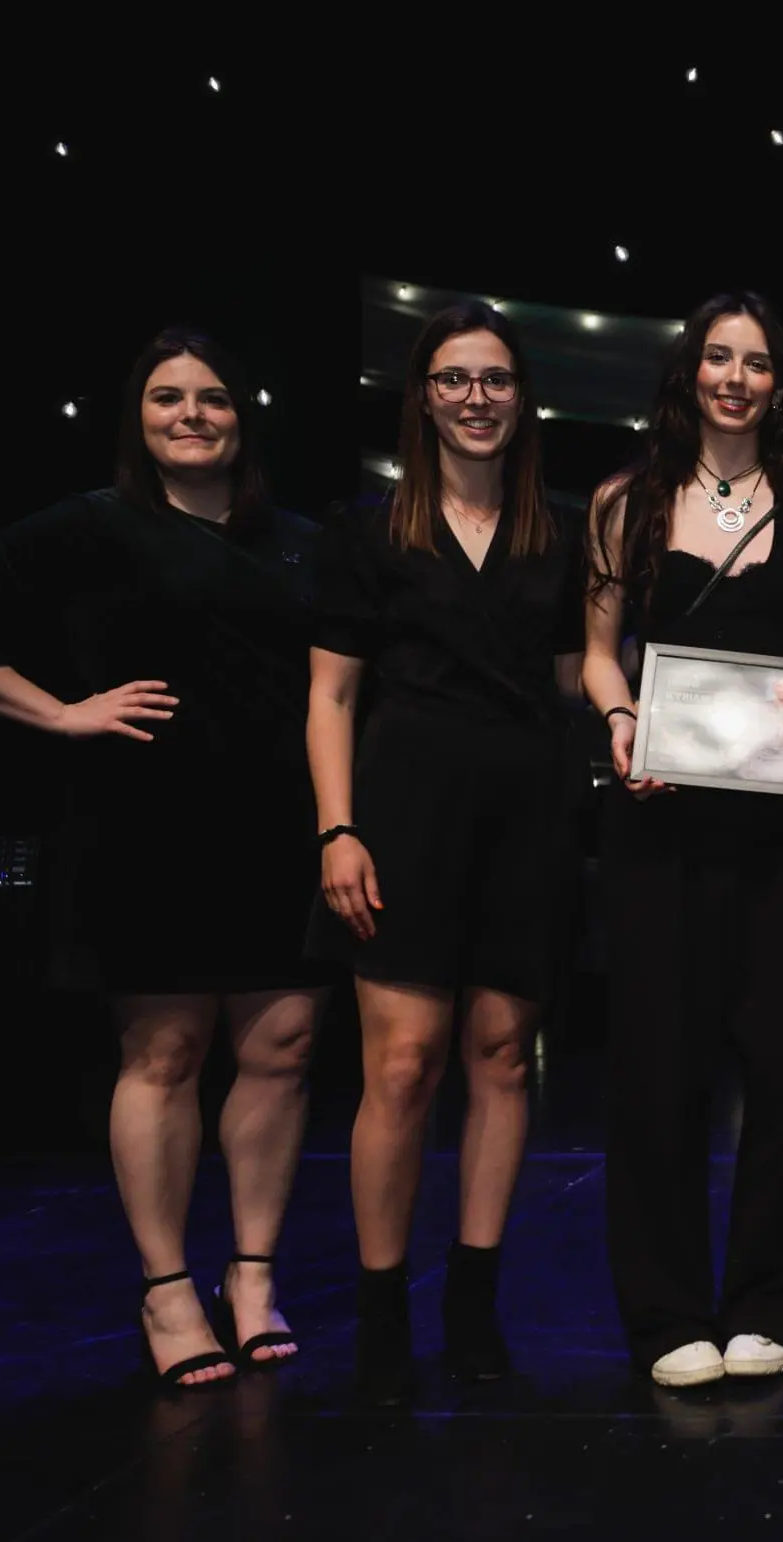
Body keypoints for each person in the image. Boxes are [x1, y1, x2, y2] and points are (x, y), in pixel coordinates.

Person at [0, 329, 324, 1387]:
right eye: (167, 398)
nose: (192, 414)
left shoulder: (301, 542)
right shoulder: (92, 526)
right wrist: (58, 713)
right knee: (165, 1054)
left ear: (243, 417)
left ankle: (253, 1278)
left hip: (279, 826)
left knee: (281, 1050)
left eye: (212, 397)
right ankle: (166, 1290)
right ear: (137, 419)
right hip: (146, 826)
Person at [307, 301, 587, 1407]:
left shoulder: (561, 532)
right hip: (403, 816)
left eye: (496, 379)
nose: (477, 398)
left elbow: (576, 682)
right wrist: (337, 829)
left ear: (522, 399)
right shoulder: (366, 530)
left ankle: (473, 1303)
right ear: (422, 398)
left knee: (503, 1058)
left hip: (531, 819)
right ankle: (384, 1312)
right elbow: (331, 696)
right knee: (402, 1067)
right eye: (455, 379)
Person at [584, 291, 783, 1389]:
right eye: (717, 358)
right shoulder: (624, 502)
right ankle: (664, 1313)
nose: (735, 378)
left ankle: (770, 1303)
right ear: (688, 373)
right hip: (659, 818)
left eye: (756, 363)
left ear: (779, 385)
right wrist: (619, 720)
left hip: (782, 827)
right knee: (658, 1069)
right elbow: (598, 652)